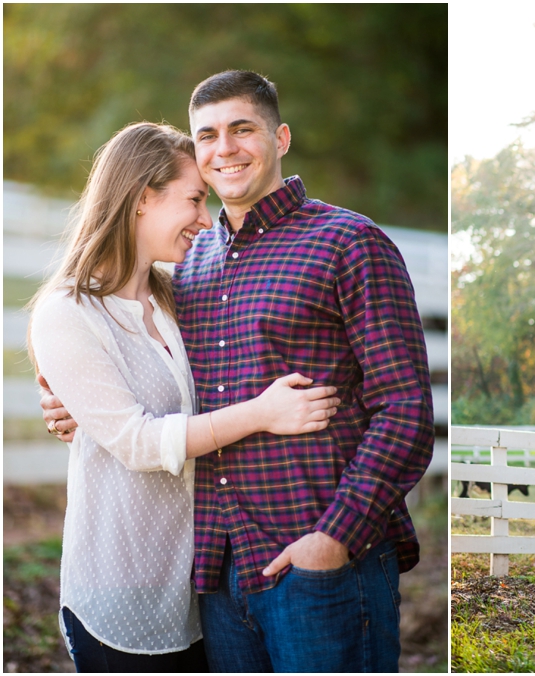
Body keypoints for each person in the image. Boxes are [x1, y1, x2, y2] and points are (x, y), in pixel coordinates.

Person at [43, 70, 434, 673]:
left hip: (319, 562)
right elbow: (145, 373)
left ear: (279, 137)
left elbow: (406, 409)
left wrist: (334, 539)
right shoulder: (186, 266)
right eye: (207, 135)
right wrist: (81, 408)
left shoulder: (348, 242)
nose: (224, 148)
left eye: (242, 129)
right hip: (216, 577)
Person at [28, 122, 340, 672]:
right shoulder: (68, 313)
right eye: (195, 198)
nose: (205, 217)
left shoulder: (180, 301)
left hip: (198, 586)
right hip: (118, 587)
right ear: (142, 197)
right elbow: (139, 442)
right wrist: (263, 413)